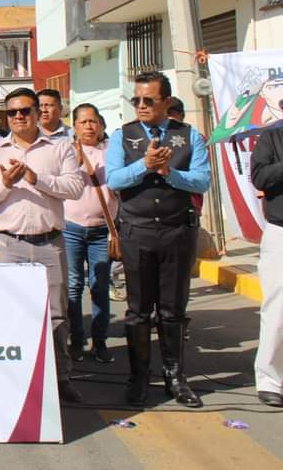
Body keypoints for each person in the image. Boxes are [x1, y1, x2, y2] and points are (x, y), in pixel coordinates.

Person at [106, 72, 209, 408]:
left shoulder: (189, 136)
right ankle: (138, 378)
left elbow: (202, 180)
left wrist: (170, 174)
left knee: (173, 310)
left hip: (176, 231)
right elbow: (114, 179)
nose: (141, 106)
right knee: (138, 311)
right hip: (137, 232)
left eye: (148, 100)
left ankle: (175, 377)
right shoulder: (123, 136)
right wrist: (145, 165)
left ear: (166, 102)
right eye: (136, 100)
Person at [0, 87, 84, 404]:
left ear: (38, 112)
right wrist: (6, 183)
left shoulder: (59, 147)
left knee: (56, 315)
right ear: (5, 117)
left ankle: (62, 377)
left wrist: (37, 179)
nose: (19, 117)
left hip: (50, 241)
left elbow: (75, 188)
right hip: (10, 243)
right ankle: (19, 378)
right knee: (13, 314)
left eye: (25, 110)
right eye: (13, 112)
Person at [64, 103, 118, 365]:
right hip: (71, 228)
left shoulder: (112, 152)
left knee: (99, 286)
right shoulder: (65, 152)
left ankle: (100, 342)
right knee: (73, 287)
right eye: (82, 122)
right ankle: (77, 340)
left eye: (93, 121)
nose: (88, 126)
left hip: (102, 230)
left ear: (101, 125)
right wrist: (74, 163)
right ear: (74, 127)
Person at [250, 100, 283, 408]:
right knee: (278, 311)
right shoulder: (271, 137)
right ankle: (271, 379)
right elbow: (260, 177)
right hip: (281, 231)